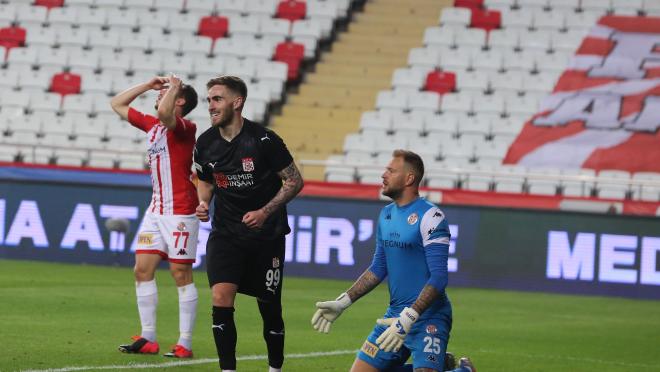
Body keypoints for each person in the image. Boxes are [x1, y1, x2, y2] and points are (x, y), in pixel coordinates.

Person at [311, 150, 476, 372]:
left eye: (391, 170)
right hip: (394, 316)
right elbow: (378, 268)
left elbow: (439, 277)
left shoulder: (431, 217)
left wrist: (411, 315)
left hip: (429, 316)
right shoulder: (386, 214)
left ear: (409, 179)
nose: (383, 175)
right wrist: (344, 301)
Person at [193, 75, 304, 372]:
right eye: (209, 100)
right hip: (226, 234)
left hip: (266, 236)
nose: (211, 106)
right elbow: (204, 180)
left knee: (269, 308)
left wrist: (265, 212)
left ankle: (274, 368)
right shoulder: (205, 143)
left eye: (217, 99)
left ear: (236, 102)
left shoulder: (264, 140)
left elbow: (294, 181)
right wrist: (203, 202)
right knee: (220, 297)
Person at [110, 75, 200, 359]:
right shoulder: (153, 127)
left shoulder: (185, 127)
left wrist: (172, 87)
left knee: (180, 274)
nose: (157, 96)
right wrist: (148, 86)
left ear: (180, 100)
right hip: (155, 211)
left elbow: (165, 112)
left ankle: (184, 342)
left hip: (182, 213)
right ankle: (148, 337)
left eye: (163, 93)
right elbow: (117, 103)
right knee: (142, 270)